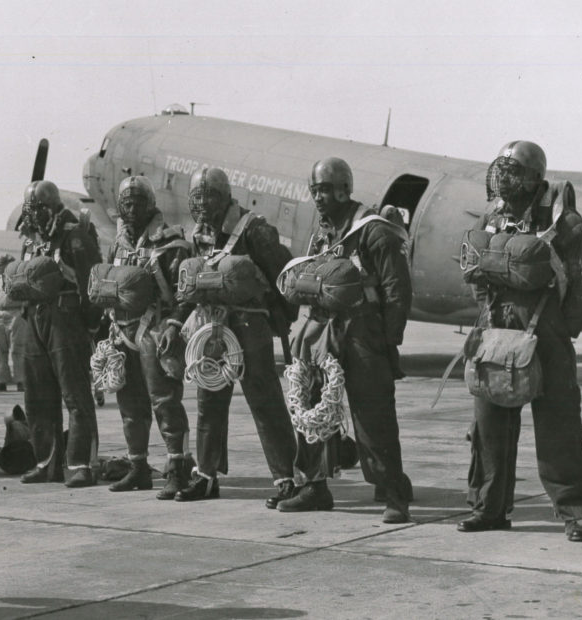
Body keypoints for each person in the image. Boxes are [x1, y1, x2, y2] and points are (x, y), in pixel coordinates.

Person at [458, 141, 582, 542]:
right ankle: (489, 508)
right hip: (497, 329)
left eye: (513, 171)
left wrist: (559, 325)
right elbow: (473, 269)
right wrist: (489, 313)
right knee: (489, 423)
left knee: (558, 424)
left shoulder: (565, 223)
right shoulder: (491, 217)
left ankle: (574, 512)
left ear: (535, 178)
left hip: (546, 333)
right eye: (500, 170)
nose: (503, 178)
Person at [276, 158, 412, 523]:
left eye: (324, 190)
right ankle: (313, 487)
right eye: (314, 191)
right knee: (312, 407)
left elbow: (397, 291)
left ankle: (394, 493)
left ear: (342, 189)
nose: (318, 198)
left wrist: (387, 342)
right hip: (323, 333)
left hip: (364, 333)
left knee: (373, 417)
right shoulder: (322, 234)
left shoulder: (374, 231)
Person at [174, 167, 298, 507]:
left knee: (264, 400)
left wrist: (279, 319)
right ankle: (206, 475)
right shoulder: (199, 234)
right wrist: (176, 323)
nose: (202, 205)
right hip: (212, 327)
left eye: (209, 197)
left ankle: (287, 476)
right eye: (196, 198)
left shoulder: (254, 231)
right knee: (208, 399)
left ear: (226, 197)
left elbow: (282, 274)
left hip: (249, 326)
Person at [100, 176, 193, 496]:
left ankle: (178, 470)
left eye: (138, 201)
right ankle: (138, 467)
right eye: (125, 202)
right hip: (122, 333)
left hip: (156, 332)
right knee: (130, 405)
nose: (131, 208)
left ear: (151, 204)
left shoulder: (172, 245)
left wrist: (174, 326)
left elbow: (185, 294)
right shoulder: (117, 244)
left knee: (166, 403)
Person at [16, 180, 103, 488]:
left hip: (66, 321)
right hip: (34, 320)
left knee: (75, 395)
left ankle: (82, 464)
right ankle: (46, 463)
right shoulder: (31, 239)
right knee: (37, 396)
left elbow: (91, 285)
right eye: (30, 209)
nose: (34, 215)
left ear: (53, 207)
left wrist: (90, 328)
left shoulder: (74, 234)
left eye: (39, 208)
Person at [0, 254, 25, 392]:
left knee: (17, 349)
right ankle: (2, 380)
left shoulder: (18, 278)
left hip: (15, 314)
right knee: (1, 351)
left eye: (1, 264)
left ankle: (20, 380)